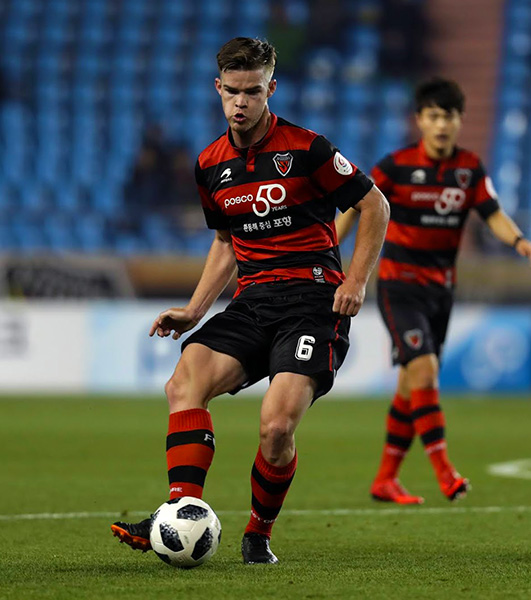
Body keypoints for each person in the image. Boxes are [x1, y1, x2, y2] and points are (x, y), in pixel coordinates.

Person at [110, 37, 389, 564]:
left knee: (277, 427)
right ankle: (181, 511)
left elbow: (375, 205)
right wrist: (194, 310)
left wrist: (356, 279)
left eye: (252, 92)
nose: (241, 103)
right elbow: (225, 242)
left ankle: (257, 533)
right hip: (253, 299)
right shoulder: (210, 165)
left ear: (270, 89)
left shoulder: (309, 149)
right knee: (184, 382)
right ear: (218, 88)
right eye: (232, 92)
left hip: (313, 301)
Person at [337, 77, 531, 504]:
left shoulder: (469, 169)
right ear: (420, 120)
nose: (441, 124)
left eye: (448, 116)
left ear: (459, 120)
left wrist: (518, 240)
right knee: (425, 371)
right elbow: (356, 207)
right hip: (398, 285)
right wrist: (324, 249)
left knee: (413, 385)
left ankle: (385, 479)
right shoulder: (393, 167)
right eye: (433, 116)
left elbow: (492, 213)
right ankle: (445, 472)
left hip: (440, 293)